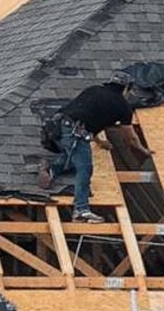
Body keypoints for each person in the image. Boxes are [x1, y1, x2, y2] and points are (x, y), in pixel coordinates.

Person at [44, 79, 157, 223]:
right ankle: (81, 210)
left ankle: (51, 170)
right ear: (125, 89)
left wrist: (99, 141)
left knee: (73, 157)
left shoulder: (94, 90)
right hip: (76, 132)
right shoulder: (122, 106)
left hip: (60, 127)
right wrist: (143, 150)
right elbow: (131, 138)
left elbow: (91, 117)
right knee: (85, 169)